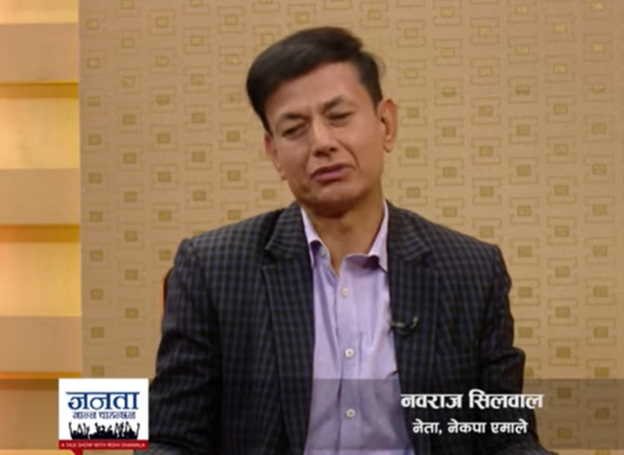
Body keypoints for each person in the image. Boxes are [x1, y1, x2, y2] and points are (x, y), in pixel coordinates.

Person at [141, 26, 556, 455]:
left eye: (339, 117)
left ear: (386, 124)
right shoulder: (214, 270)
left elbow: (506, 437)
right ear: (274, 152)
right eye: (295, 129)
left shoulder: (470, 271)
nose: (322, 143)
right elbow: (173, 437)